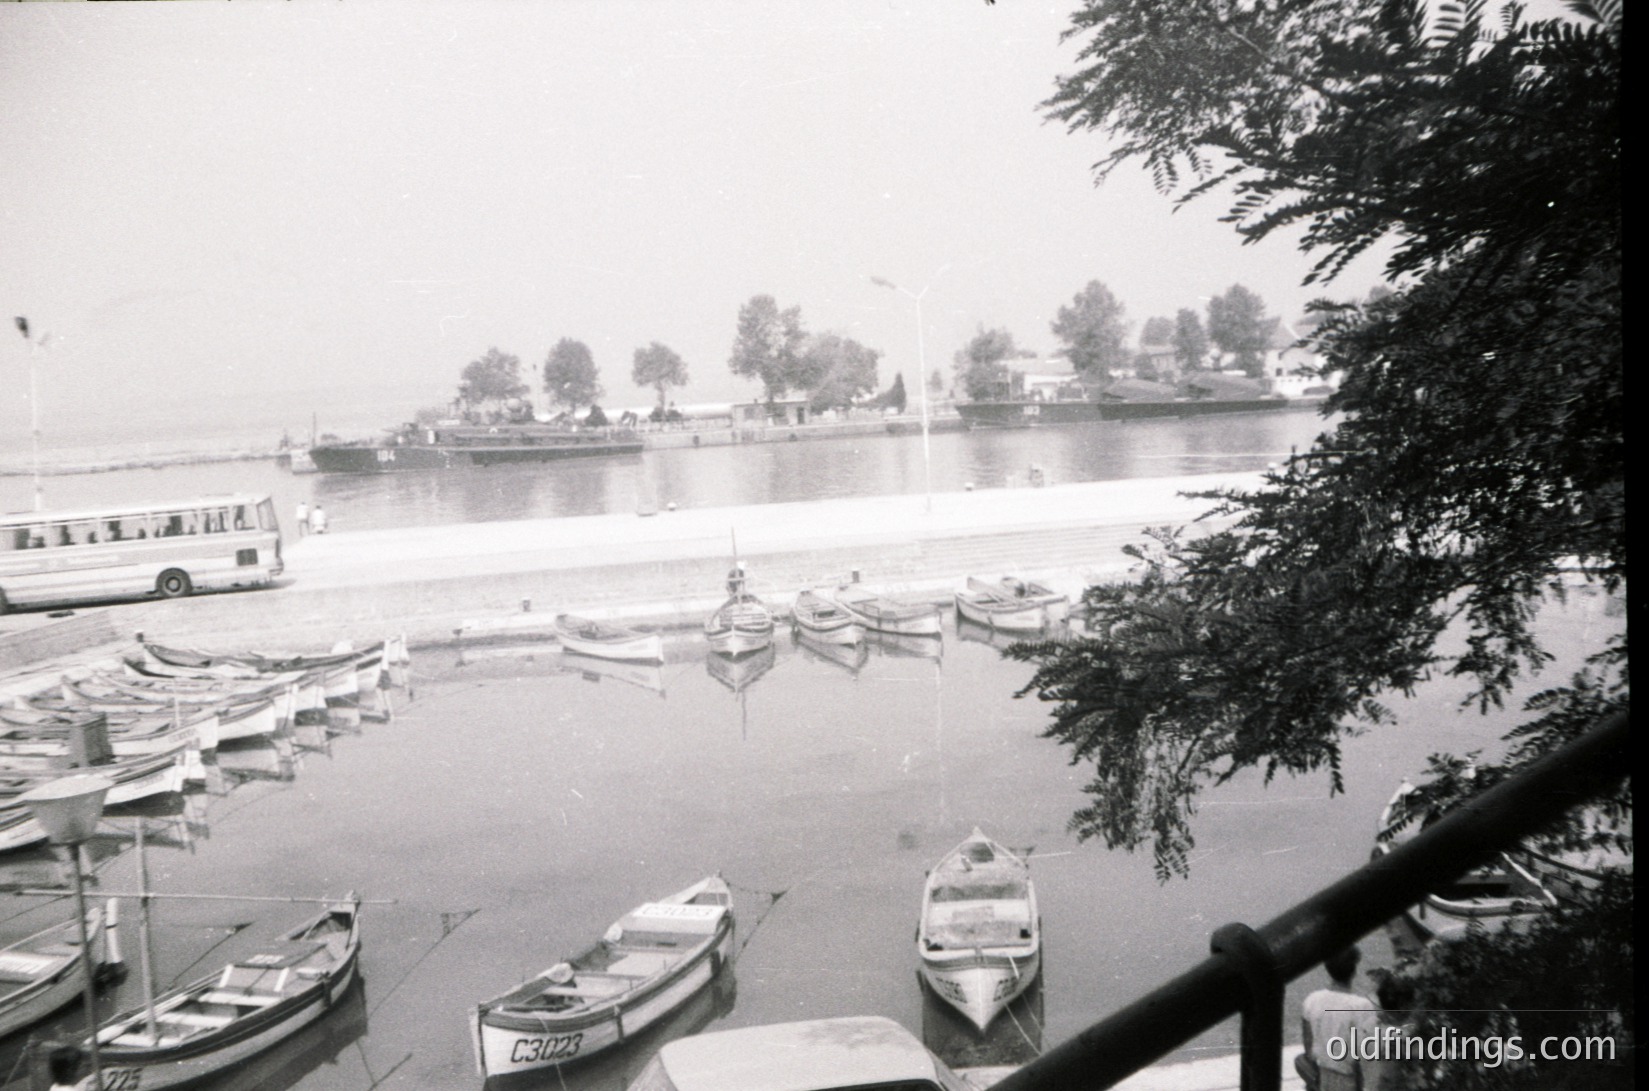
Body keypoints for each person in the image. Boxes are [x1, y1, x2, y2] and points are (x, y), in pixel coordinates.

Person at [1300, 944, 1378, 1091]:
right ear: (1354, 971)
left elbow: (1308, 1048)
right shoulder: (1361, 1006)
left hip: (1321, 1076)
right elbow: (1366, 1057)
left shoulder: (1312, 1000)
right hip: (1348, 1080)